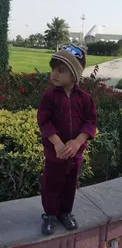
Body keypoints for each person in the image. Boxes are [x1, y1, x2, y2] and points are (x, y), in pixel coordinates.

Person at [37, 44, 97, 235]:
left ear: (74, 75)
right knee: (52, 182)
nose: (54, 74)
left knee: (70, 182)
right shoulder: (49, 97)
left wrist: (78, 142)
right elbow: (44, 121)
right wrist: (57, 143)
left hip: (75, 152)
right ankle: (50, 214)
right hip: (55, 151)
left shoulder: (85, 98)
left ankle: (65, 212)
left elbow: (91, 121)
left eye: (61, 70)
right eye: (53, 69)